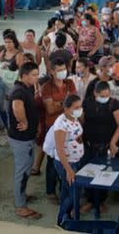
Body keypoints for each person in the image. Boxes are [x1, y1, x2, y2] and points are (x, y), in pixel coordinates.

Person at [81, 81, 119, 213]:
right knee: (87, 172)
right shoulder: (87, 103)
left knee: (104, 174)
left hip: (106, 145)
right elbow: (81, 122)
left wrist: (113, 142)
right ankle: (90, 201)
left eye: (107, 95)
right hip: (88, 144)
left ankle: (100, 201)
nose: (105, 98)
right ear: (95, 93)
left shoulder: (114, 104)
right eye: (102, 95)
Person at [35, 59, 77, 200]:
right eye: (59, 70)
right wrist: (66, 103)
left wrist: (60, 103)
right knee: (53, 159)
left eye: (63, 69)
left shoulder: (70, 83)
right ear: (52, 71)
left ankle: (64, 188)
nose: (62, 72)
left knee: (67, 157)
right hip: (53, 127)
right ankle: (50, 191)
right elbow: (50, 109)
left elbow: (75, 103)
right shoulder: (47, 87)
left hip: (69, 127)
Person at [7, 62, 42, 219]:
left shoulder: (26, 87)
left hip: (27, 138)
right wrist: (25, 122)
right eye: (34, 75)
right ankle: (21, 206)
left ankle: (22, 195)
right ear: (24, 75)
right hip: (21, 139)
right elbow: (16, 106)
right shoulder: (19, 91)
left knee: (26, 168)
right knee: (22, 171)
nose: (37, 77)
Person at [44, 94, 85, 225]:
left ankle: (66, 217)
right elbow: (60, 148)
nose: (80, 109)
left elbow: (75, 135)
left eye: (80, 106)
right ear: (66, 108)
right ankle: (62, 219)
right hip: (66, 163)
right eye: (76, 107)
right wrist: (68, 169)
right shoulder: (61, 124)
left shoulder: (74, 118)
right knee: (74, 193)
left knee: (66, 191)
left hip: (75, 159)